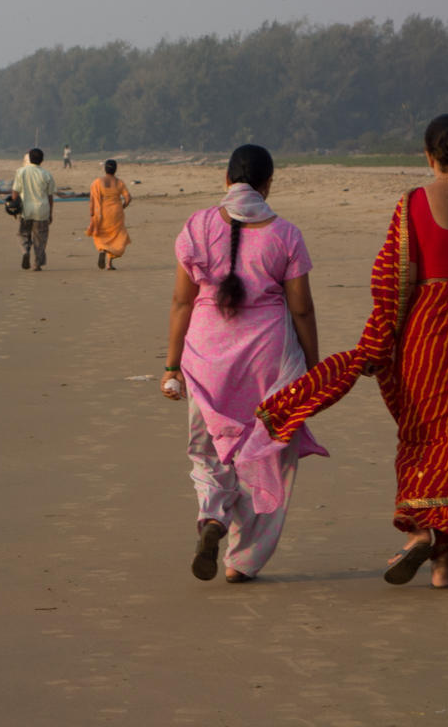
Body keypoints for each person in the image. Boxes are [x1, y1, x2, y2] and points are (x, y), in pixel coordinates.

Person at [257, 115, 448, 589]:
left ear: (428, 156)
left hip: (426, 338)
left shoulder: (413, 204)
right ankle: (443, 566)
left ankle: (422, 531)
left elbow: (392, 278)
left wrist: (381, 339)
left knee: (425, 436)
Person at [163, 145, 322, 583]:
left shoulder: (197, 226)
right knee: (270, 455)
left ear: (226, 179)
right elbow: (302, 309)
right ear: (268, 184)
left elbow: (182, 301)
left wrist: (172, 366)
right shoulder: (285, 234)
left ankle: (213, 515)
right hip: (268, 360)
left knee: (207, 449)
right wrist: (313, 367)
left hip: (206, 358)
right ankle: (241, 560)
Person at [10, 147, 56, 271]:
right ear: (42, 160)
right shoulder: (47, 175)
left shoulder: (21, 172)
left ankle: (25, 251)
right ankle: (37, 263)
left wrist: (14, 208)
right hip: (42, 211)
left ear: (29, 158)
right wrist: (50, 213)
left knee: (23, 234)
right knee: (40, 238)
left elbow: (15, 192)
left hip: (25, 210)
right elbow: (50, 196)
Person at [87, 158, 133, 270]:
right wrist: (122, 207)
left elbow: (93, 199)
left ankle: (102, 249)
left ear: (105, 169)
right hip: (116, 212)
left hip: (102, 212)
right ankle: (109, 264)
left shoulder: (97, 182)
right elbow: (128, 198)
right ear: (115, 169)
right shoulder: (119, 183)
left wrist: (92, 213)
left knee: (102, 234)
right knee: (116, 236)